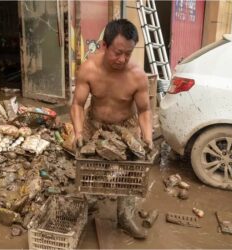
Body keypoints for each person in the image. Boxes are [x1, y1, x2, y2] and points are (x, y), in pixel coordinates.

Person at [71, 19, 153, 239]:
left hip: (125, 128)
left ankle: (125, 217)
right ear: (104, 46)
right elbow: (78, 104)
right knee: (90, 170)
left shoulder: (137, 76)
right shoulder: (89, 68)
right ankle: (90, 206)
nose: (123, 59)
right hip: (94, 125)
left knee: (130, 174)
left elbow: (144, 110)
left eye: (128, 53)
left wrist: (147, 138)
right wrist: (79, 133)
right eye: (118, 52)